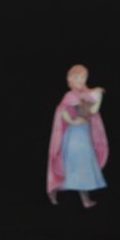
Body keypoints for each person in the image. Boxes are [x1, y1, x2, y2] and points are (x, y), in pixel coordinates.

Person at [47, 64, 108, 208]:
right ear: (72, 79)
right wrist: (71, 121)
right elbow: (64, 110)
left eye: (84, 77)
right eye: (79, 77)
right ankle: (54, 191)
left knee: (82, 167)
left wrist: (98, 97)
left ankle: (84, 200)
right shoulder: (71, 95)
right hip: (75, 136)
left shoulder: (84, 94)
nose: (82, 80)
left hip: (83, 134)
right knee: (77, 166)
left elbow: (92, 111)